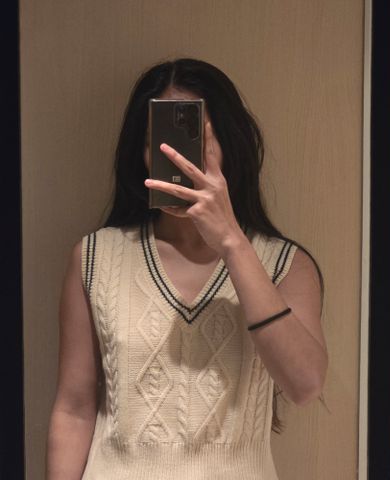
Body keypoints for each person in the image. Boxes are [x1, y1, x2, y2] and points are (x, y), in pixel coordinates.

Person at [46, 58, 328, 480]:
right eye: (157, 143)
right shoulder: (96, 257)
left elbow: (304, 385)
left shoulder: (284, 264)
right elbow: (74, 409)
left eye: (191, 142)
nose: (177, 159)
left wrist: (232, 242)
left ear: (228, 145)